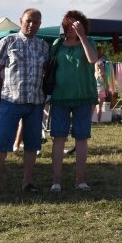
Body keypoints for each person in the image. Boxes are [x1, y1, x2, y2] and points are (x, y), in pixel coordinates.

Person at [0, 8, 50, 195]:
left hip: (35, 102)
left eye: (36, 22)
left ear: (40, 24)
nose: (31, 25)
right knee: (1, 143)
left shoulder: (43, 46)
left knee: (32, 145)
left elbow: (47, 73)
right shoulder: (8, 41)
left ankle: (27, 183)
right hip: (10, 100)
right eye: (28, 20)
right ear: (21, 20)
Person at [49, 10, 98, 193]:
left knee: (82, 138)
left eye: (75, 25)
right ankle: (56, 181)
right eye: (67, 25)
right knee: (58, 138)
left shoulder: (89, 42)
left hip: (84, 96)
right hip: (60, 97)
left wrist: (82, 37)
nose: (70, 28)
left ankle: (80, 181)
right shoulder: (57, 44)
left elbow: (92, 59)